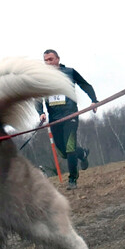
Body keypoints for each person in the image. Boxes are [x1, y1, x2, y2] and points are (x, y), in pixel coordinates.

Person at [37, 49, 97, 190]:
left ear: (58, 59)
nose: (48, 63)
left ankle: (72, 179)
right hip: (54, 119)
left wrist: (94, 100)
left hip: (70, 116)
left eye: (50, 59)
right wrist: (41, 112)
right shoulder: (41, 78)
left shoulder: (69, 72)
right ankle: (82, 153)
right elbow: (37, 98)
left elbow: (85, 85)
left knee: (70, 148)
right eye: (45, 60)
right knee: (63, 153)